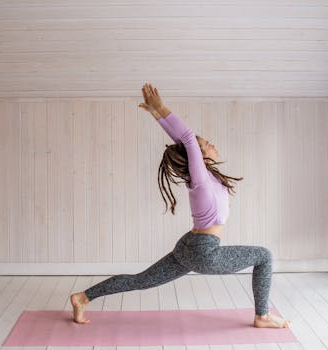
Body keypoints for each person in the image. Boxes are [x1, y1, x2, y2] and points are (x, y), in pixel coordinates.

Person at [70, 83, 291, 328]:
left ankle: (82, 297)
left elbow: (185, 143)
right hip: (203, 252)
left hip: (189, 246)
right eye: (207, 144)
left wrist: (156, 115)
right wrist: (162, 108)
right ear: (200, 154)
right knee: (264, 256)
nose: (213, 145)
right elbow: (187, 138)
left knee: (142, 280)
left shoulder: (206, 177)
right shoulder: (200, 179)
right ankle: (262, 315)